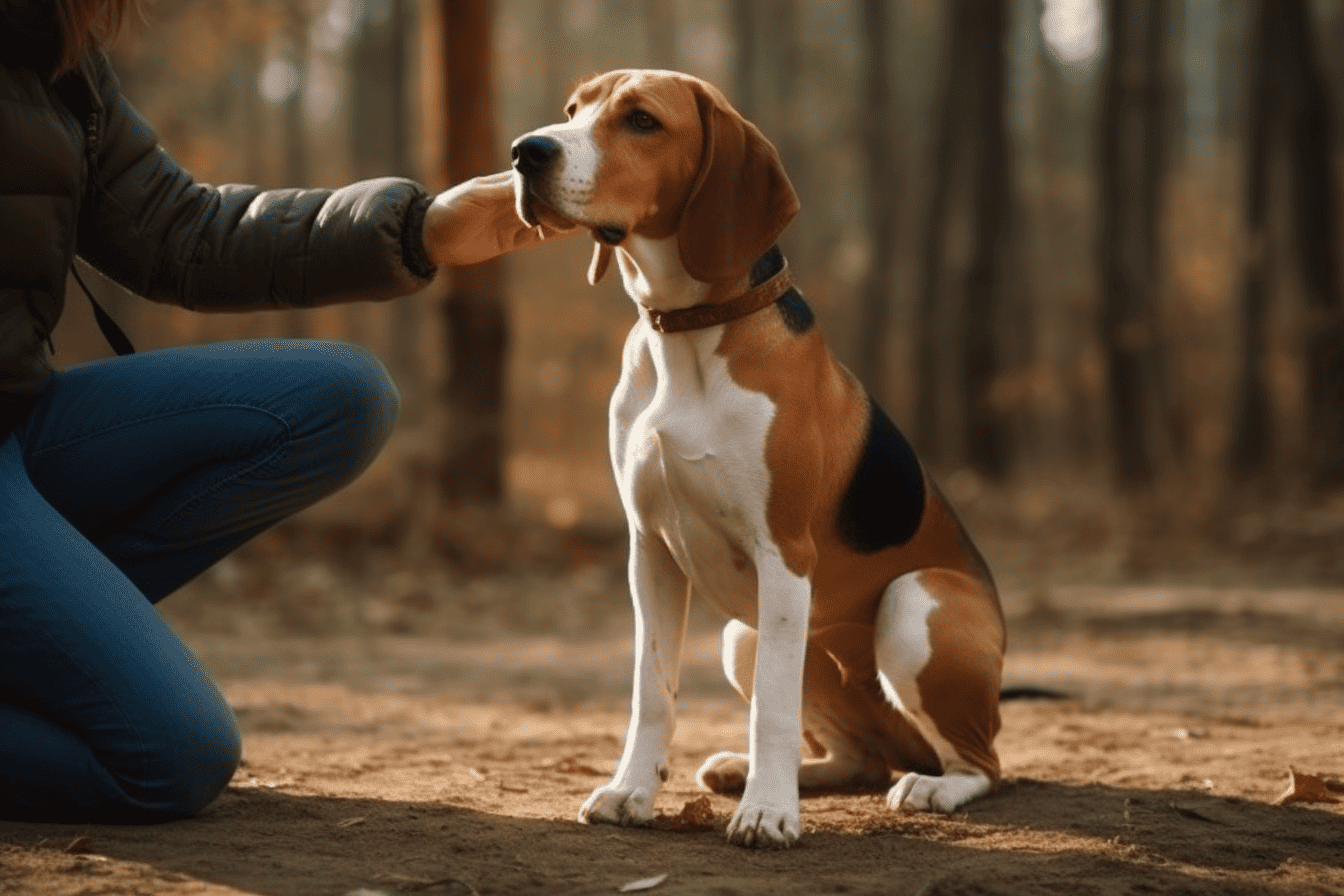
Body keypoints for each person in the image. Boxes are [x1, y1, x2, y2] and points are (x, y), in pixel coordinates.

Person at [0, 0, 574, 822]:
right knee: (172, 754)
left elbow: (178, 231)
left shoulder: (52, 45)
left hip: (20, 421)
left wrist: (423, 231)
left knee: (340, 396)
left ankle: (40, 645)